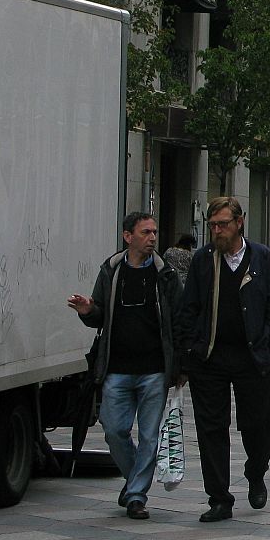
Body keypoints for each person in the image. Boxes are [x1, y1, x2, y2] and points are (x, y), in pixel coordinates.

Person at [175, 196, 270, 523]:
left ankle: (256, 471)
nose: (217, 231)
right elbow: (189, 306)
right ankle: (219, 498)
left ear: (239, 222)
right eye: (212, 225)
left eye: (223, 224)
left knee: (261, 422)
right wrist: (189, 348)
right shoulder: (203, 260)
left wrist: (269, 342)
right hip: (210, 357)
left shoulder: (262, 258)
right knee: (211, 428)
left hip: (252, 356)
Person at [68, 211, 183, 518]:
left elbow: (179, 321)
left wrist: (180, 367)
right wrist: (88, 310)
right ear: (128, 236)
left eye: (154, 232)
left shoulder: (165, 274)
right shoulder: (111, 270)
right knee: (114, 430)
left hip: (154, 369)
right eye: (146, 232)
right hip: (116, 368)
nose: (152, 238)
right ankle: (134, 481)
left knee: (149, 436)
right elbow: (99, 315)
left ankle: (136, 496)